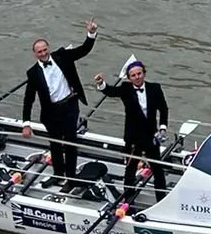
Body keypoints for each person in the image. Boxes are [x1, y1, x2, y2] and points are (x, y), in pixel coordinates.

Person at [21, 22, 99, 179]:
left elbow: (84, 50)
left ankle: (70, 177)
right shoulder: (33, 73)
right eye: (39, 52)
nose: (43, 53)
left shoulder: (63, 55)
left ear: (48, 48)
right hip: (50, 113)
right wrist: (26, 124)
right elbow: (29, 99)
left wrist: (91, 34)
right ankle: (58, 174)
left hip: (69, 106)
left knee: (70, 143)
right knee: (55, 144)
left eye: (45, 50)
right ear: (35, 54)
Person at [94, 58, 170, 203]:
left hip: (151, 135)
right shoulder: (125, 88)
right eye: (133, 75)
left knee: (158, 170)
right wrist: (101, 83)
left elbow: (163, 109)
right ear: (129, 78)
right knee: (130, 169)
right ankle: (128, 200)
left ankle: (161, 200)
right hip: (133, 137)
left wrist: (162, 128)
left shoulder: (155, 88)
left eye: (139, 74)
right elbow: (111, 92)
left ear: (144, 73)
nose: (137, 77)